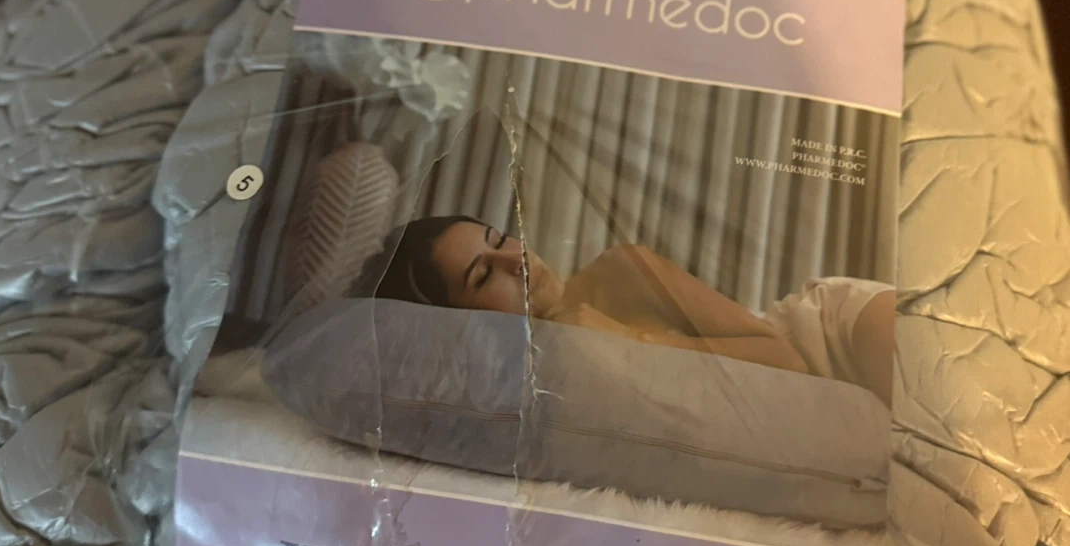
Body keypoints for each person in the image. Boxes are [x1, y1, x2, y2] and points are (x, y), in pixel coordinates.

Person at [374, 215, 895, 406]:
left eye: (500, 238)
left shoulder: (621, 269)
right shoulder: (526, 388)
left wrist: (631, 342)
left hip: (829, 331)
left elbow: (787, 361)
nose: (518, 260)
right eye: (483, 275)